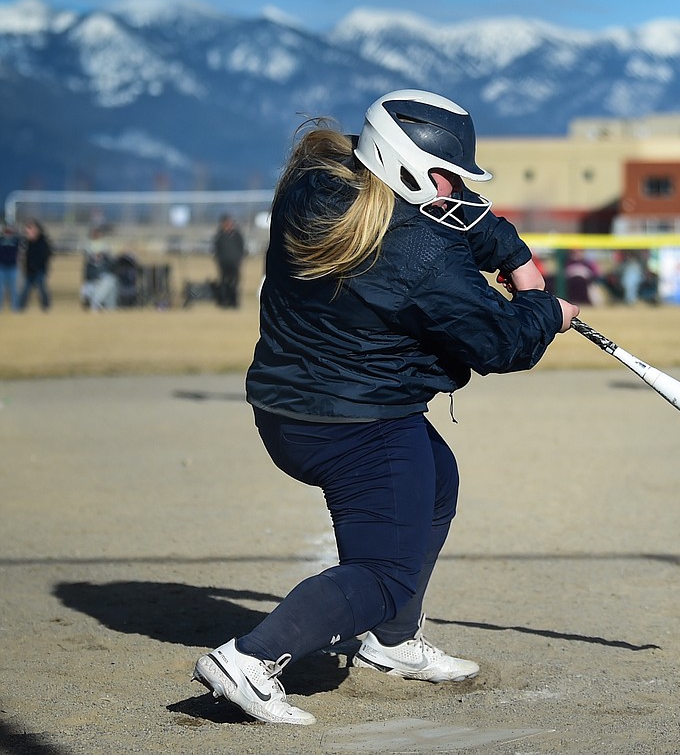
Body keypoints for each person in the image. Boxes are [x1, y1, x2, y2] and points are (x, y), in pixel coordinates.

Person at [191, 89, 579, 726]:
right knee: (385, 576)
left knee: (435, 478)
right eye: (446, 176)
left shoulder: (317, 182)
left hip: (293, 413)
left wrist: (510, 255)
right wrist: (546, 310)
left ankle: (392, 641)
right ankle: (252, 658)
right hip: (359, 424)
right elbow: (500, 341)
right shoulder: (417, 253)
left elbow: (460, 218)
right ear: (407, 166)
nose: (454, 190)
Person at [211, 214, 246, 308]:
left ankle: (234, 301)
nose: (228, 225)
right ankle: (224, 301)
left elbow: (241, 248)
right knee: (224, 282)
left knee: (235, 282)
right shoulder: (220, 236)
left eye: (230, 223)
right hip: (223, 263)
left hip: (235, 262)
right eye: (226, 223)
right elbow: (216, 249)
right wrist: (219, 259)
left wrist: (239, 258)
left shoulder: (237, 235)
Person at [18, 219, 53, 312]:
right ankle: (21, 308)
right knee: (25, 289)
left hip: (40, 270)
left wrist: (40, 265)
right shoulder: (26, 242)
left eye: (31, 228)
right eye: (28, 229)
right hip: (29, 270)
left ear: (37, 230)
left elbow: (47, 254)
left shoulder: (43, 241)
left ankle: (46, 307)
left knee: (41, 288)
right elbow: (22, 255)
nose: (29, 231)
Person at [80, 227, 118, 311]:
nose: (96, 235)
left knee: (101, 292)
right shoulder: (87, 244)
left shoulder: (104, 245)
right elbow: (88, 258)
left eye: (97, 233)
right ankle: (93, 305)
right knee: (89, 292)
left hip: (102, 273)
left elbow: (108, 259)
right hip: (92, 274)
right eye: (94, 233)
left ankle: (99, 305)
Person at [0, 221, 20, 311]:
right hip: (2, 267)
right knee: (0, 289)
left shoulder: (16, 241)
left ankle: (14, 307)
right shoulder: (0, 240)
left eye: (10, 231)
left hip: (13, 267)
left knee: (13, 288)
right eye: (6, 231)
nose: (8, 233)